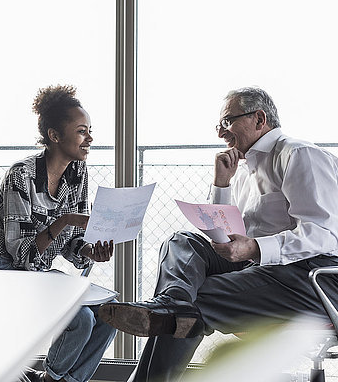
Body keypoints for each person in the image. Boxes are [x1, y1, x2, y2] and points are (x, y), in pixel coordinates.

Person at [98, 87, 338, 381]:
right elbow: (224, 233)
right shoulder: (244, 169)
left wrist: (255, 248)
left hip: (313, 280)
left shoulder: (298, 154)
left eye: (227, 122)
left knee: (194, 304)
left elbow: (325, 234)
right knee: (181, 243)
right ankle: (173, 302)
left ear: (259, 118)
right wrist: (222, 184)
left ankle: (173, 313)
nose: (221, 133)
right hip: (265, 270)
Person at [0, 84, 117, 382]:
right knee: (80, 320)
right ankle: (51, 379)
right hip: (1, 270)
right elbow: (23, 256)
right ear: (54, 136)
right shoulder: (21, 175)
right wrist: (64, 221)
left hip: (36, 274)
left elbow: (73, 242)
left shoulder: (78, 172)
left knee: (111, 313)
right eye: (81, 131)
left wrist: (89, 251)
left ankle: (59, 381)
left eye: (90, 130)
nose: (89, 138)